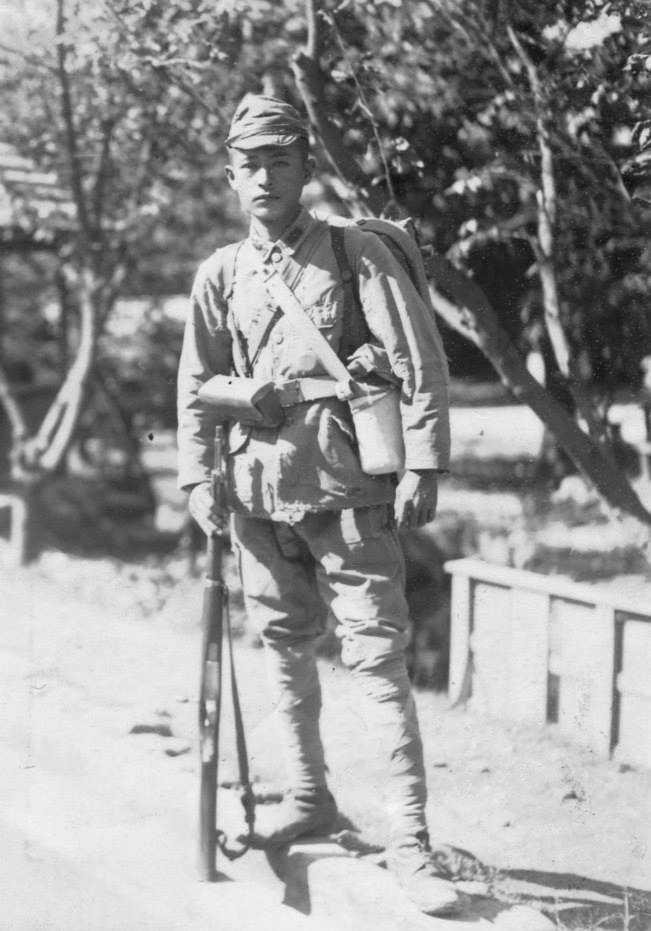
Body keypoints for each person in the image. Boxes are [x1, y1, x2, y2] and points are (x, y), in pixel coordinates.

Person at [177, 94, 459, 916]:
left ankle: (409, 843)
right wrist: (198, 479)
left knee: (375, 659)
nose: (264, 177)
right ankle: (309, 797)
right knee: (285, 650)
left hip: (347, 490)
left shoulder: (352, 253)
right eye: (249, 165)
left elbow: (419, 361)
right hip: (256, 494)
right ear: (230, 178)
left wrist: (422, 464)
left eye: (280, 161)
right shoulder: (220, 273)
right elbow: (196, 386)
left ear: (305, 170)